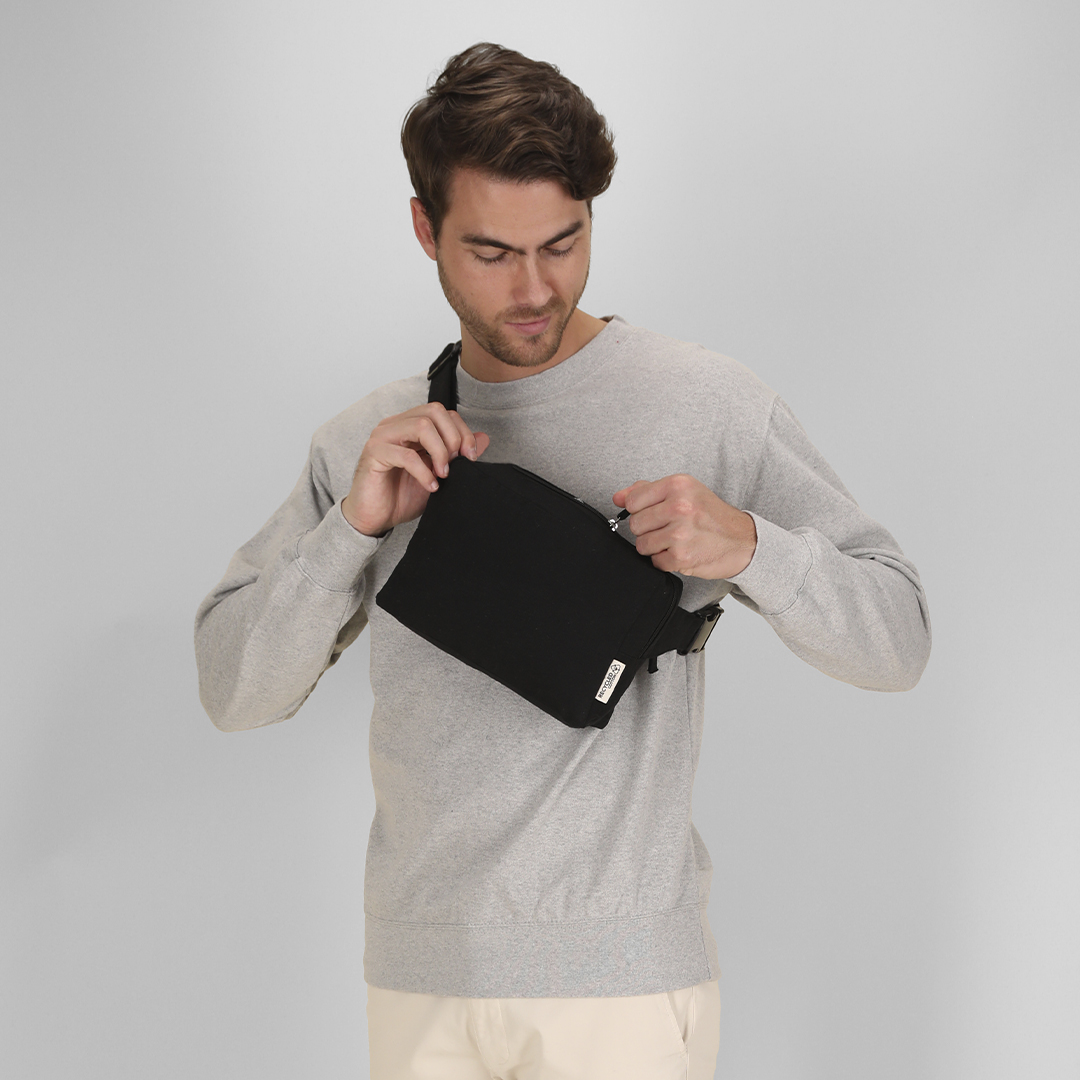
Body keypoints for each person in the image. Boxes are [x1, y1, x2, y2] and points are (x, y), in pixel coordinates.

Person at [195, 42, 931, 1080]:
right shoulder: (370, 441)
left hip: (621, 994)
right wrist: (348, 534)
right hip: (419, 984)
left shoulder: (711, 405)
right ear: (425, 230)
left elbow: (899, 641)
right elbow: (233, 694)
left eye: (565, 242)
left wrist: (754, 547)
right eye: (492, 252)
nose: (536, 287)